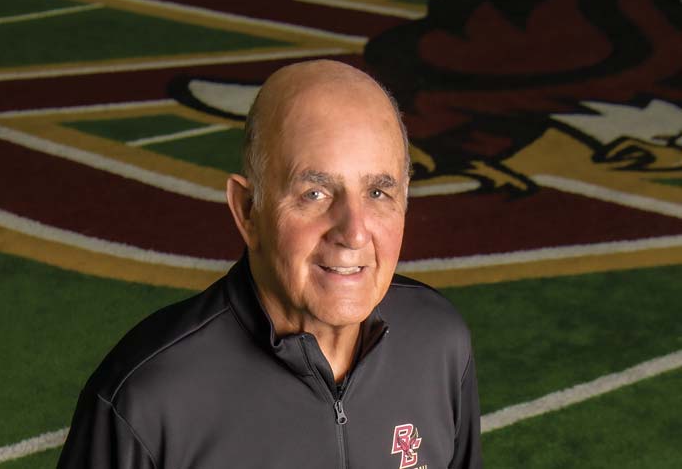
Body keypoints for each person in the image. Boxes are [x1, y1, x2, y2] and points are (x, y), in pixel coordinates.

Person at [58, 60, 482, 469]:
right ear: (247, 210)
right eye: (314, 193)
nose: (353, 233)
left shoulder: (438, 341)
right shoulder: (146, 399)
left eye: (378, 193)